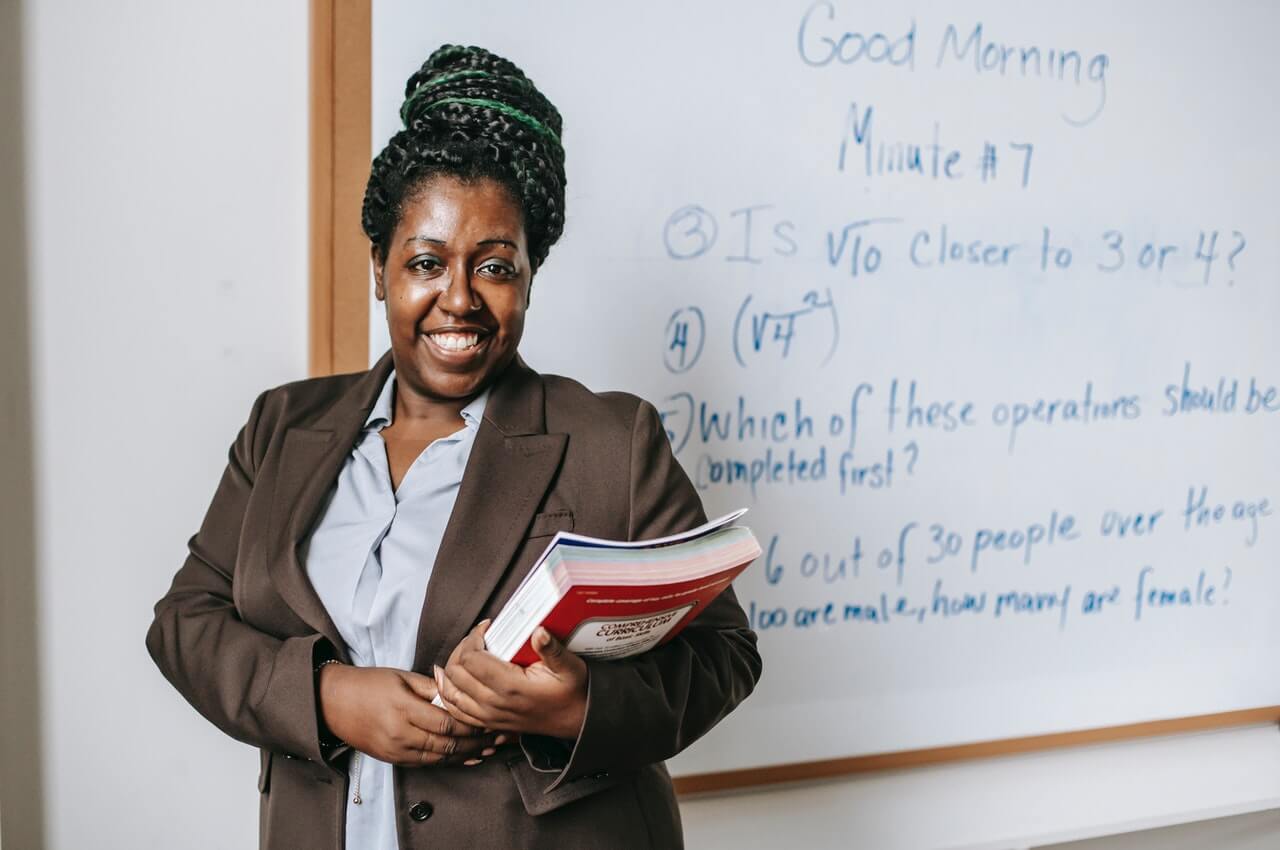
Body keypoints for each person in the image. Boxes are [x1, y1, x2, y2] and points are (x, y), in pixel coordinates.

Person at [145, 44, 762, 849]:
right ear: (380, 269)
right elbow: (185, 621)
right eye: (426, 262)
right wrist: (328, 698)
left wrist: (574, 706)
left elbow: (724, 654)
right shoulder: (283, 428)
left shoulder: (613, 440)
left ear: (531, 274)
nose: (459, 299)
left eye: (496, 266)